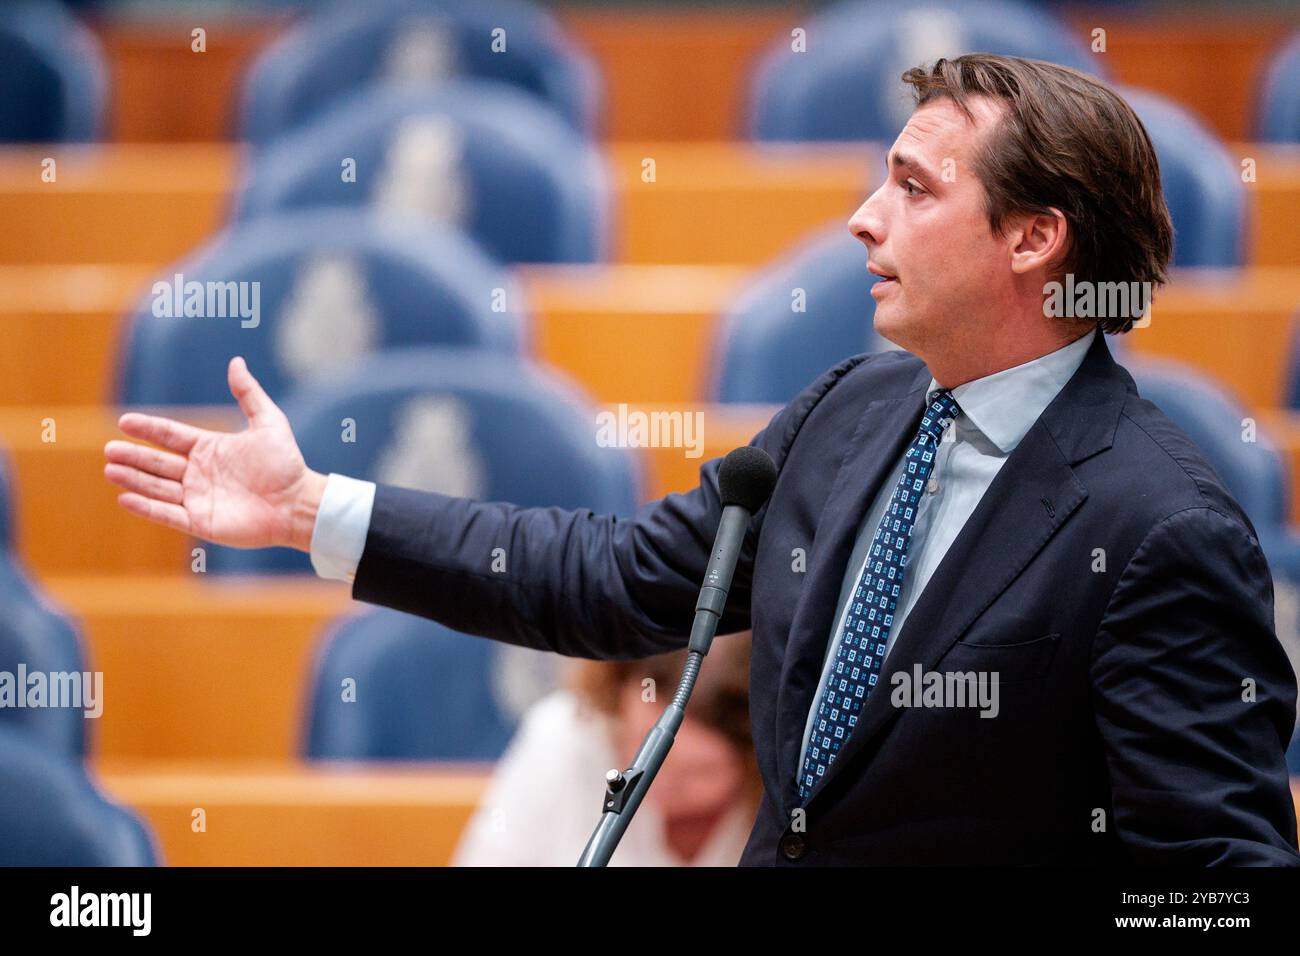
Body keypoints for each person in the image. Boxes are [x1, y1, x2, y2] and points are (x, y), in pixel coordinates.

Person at [105, 53, 1300, 865]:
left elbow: (1213, 877)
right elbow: (617, 577)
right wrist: (317, 507)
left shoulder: (1161, 527)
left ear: (1036, 238)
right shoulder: (852, 409)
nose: (861, 219)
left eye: (912, 187)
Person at [453, 635, 760, 866]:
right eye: (641, 749)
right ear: (619, 696)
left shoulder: (779, 795)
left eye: (697, 773)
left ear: (754, 762)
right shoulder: (564, 736)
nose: (657, 781)